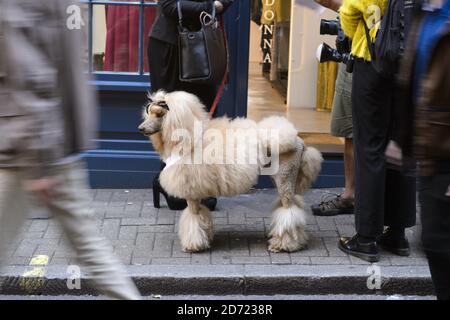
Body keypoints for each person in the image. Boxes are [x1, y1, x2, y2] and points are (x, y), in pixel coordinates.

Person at [0, 0, 141, 300]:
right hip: (56, 139)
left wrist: (40, 161)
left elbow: (32, 76)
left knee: (89, 246)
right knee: (91, 246)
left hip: (25, 148)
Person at [337, 0, 417, 262]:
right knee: (401, 146)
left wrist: (365, 31)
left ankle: (367, 238)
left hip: (373, 61)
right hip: (408, 65)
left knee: (370, 147)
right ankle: (398, 234)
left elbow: (352, 10)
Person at [147, 0, 235, 211]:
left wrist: (220, 4)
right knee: (171, 118)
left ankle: (195, 184)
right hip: (169, 48)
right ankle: (169, 183)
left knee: (200, 118)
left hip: (201, 45)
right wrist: (209, 5)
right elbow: (169, 6)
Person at [396, 0, 450, 300]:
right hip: (431, 151)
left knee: (440, 243)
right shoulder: (423, 12)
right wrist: (402, 140)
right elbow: (413, 79)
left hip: (446, 153)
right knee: (434, 242)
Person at [312, 0, 355, 217]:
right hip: (356, 52)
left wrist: (341, 5)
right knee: (350, 133)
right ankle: (353, 196)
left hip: (365, 56)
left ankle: (355, 198)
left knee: (356, 132)